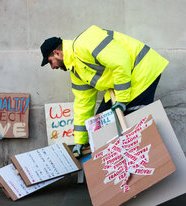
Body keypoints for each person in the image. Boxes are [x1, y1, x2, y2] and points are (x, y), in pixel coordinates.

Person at [40, 25, 168, 156]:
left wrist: (122, 99)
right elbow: (83, 104)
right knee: (99, 126)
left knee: (136, 121)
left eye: (51, 62)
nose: (53, 67)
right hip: (127, 79)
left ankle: (151, 161)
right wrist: (80, 141)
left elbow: (120, 61)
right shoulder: (76, 71)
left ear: (57, 53)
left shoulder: (85, 42)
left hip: (142, 70)